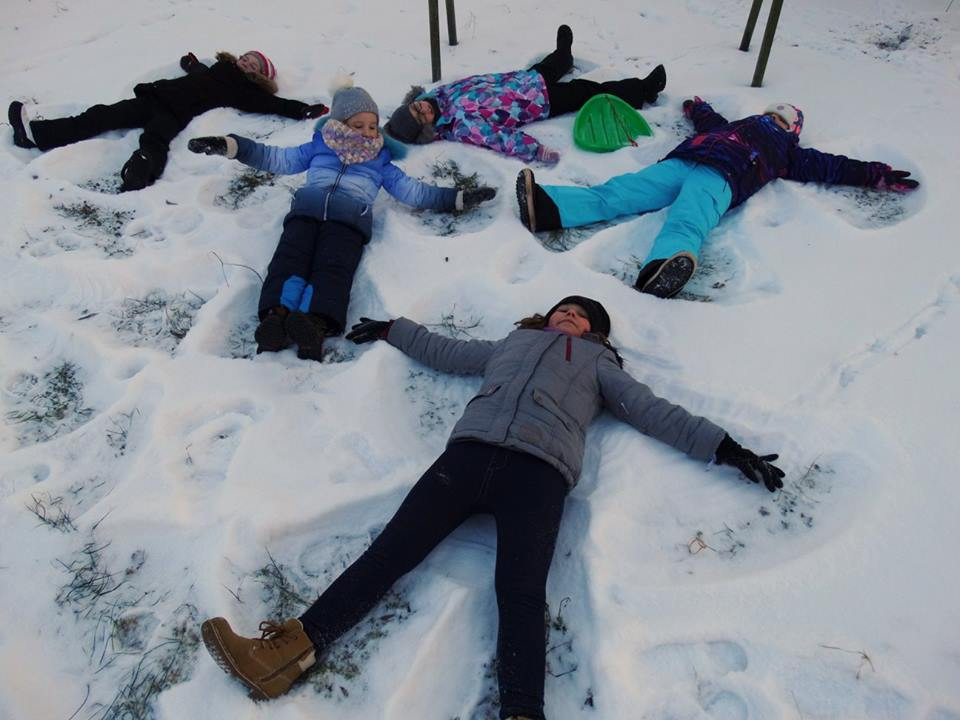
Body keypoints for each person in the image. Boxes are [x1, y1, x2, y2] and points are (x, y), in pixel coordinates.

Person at [199, 295, 785, 720]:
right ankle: (282, 654)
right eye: (564, 310)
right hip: (468, 459)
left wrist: (724, 447)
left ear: (598, 334)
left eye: (583, 316)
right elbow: (447, 350)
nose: (569, 318)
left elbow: (656, 410)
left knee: (522, 593)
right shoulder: (514, 342)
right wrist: (393, 328)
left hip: (539, 476)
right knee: (388, 554)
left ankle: (523, 712)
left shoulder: (601, 368)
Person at [187, 80, 496, 360]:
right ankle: (276, 318)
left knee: (333, 270)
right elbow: (275, 158)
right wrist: (232, 146)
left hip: (348, 225)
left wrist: (455, 198)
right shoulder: (318, 147)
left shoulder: (381, 161)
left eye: (373, 126)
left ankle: (314, 324)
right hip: (305, 214)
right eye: (358, 124)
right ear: (339, 124)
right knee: (288, 262)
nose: (367, 132)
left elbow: (413, 192)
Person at [515, 99, 921, 298]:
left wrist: (874, 174)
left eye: (782, 120)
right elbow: (708, 121)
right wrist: (698, 107)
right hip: (681, 162)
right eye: (772, 114)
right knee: (619, 192)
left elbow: (830, 166)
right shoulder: (733, 125)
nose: (773, 120)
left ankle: (663, 268)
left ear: (792, 130)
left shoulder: (788, 153)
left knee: (689, 221)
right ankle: (550, 208)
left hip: (722, 179)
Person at [7, 50, 329, 191]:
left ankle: (141, 172)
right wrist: (190, 64)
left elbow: (273, 104)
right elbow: (200, 76)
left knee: (155, 140)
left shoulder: (244, 90)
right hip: (153, 98)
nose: (247, 62)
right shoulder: (218, 69)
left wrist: (302, 110)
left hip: (175, 111)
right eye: (247, 57)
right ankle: (36, 135)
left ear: (258, 76)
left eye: (254, 65)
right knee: (100, 115)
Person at [383, 25, 666, 165]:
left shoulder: (438, 95)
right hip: (538, 103)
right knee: (586, 91)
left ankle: (563, 57)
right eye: (421, 116)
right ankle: (643, 89)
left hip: (521, 81)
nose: (422, 108)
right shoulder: (461, 125)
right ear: (429, 128)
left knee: (546, 68)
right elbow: (499, 139)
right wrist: (536, 150)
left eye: (416, 106)